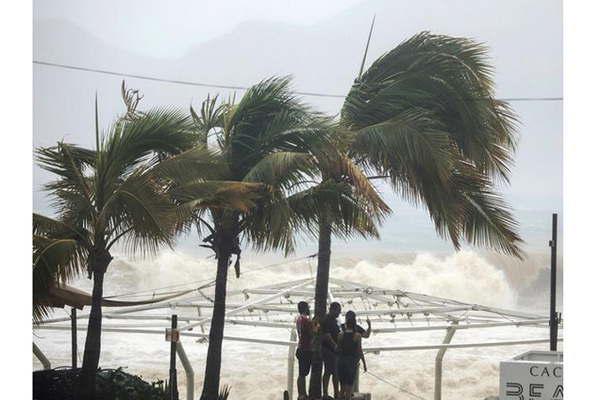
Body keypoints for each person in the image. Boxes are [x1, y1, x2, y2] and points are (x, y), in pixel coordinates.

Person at [336, 311, 371, 400]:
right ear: (354, 322)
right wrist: (364, 363)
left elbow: (338, 350)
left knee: (342, 388)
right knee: (349, 389)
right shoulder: (357, 336)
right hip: (351, 364)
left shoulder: (340, 335)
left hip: (341, 363)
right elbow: (359, 351)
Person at [322, 302, 342, 399]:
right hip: (328, 349)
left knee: (334, 372)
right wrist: (335, 346)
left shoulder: (334, 320)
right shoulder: (327, 319)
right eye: (338, 311)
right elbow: (327, 335)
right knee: (328, 371)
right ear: (333, 310)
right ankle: (325, 393)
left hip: (333, 350)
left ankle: (336, 392)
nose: (339, 313)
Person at [295, 301, 313, 400]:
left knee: (301, 373)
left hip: (301, 348)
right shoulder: (306, 320)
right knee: (303, 373)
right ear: (306, 308)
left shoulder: (299, 319)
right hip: (306, 349)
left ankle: (301, 394)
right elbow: (313, 332)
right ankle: (303, 394)